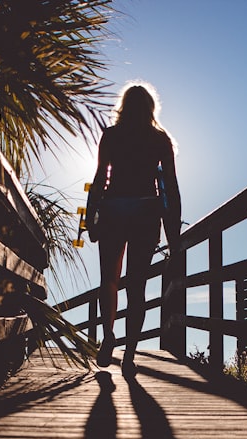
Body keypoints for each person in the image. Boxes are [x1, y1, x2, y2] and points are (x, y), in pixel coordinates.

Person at [85, 83, 181, 376]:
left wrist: (91, 217)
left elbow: (100, 178)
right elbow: (170, 188)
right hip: (145, 214)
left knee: (109, 281)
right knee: (136, 285)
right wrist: (173, 232)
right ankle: (129, 353)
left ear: (122, 106)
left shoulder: (112, 136)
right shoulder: (159, 139)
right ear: (151, 108)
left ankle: (108, 335)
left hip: (114, 210)